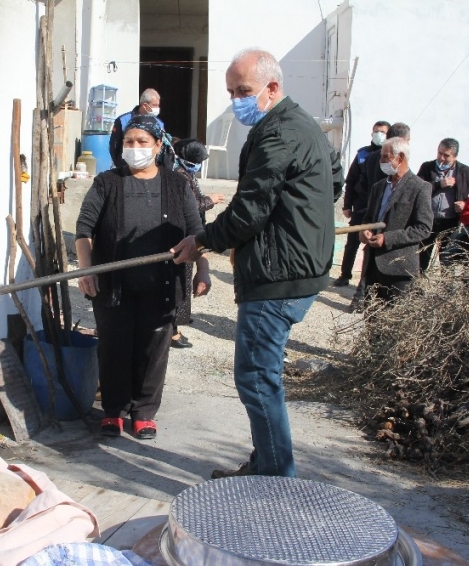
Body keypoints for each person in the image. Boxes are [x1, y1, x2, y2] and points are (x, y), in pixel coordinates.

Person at [171, 48, 343, 478]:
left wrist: (204, 240)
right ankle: (267, 464)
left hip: (278, 276)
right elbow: (333, 181)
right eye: (231, 92)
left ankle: (273, 480)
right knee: (261, 377)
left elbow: (250, 209)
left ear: (272, 87)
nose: (236, 100)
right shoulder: (303, 125)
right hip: (296, 267)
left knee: (256, 378)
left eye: (243, 90)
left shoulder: (279, 133)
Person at [76, 115, 211, 440]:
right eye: (129, 143)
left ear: (158, 145)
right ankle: (113, 411)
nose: (135, 148)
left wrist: (203, 267)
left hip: (161, 286)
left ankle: (144, 412)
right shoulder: (107, 183)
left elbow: (197, 232)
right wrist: (86, 268)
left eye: (142, 142)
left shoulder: (177, 185)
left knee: (152, 349)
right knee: (113, 346)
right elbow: (84, 228)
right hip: (114, 286)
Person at [358, 137, 433, 302]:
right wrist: (364, 232)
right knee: (372, 319)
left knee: (394, 322)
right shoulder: (379, 187)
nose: (381, 161)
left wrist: (387, 239)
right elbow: (369, 218)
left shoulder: (419, 187)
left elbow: (423, 228)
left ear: (400, 158)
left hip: (399, 269)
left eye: (386, 157)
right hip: (372, 266)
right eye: (381, 157)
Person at [170, 138, 226, 349]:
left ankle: (178, 321)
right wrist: (210, 200)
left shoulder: (187, 174)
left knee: (184, 279)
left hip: (190, 233)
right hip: (182, 235)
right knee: (179, 281)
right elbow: (190, 206)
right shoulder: (179, 177)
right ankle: (173, 329)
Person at [350, 122, 411, 308]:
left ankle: (362, 296)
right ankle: (361, 296)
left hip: (393, 241)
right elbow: (359, 182)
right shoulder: (374, 162)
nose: (383, 160)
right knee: (368, 260)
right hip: (373, 215)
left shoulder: (417, 185)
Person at [334, 120, 391, 287]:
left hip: (378, 208)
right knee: (352, 242)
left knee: (372, 245)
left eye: (382, 132)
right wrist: (347, 205)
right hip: (361, 205)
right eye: (376, 131)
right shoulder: (362, 154)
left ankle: (366, 281)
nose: (378, 135)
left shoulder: (388, 157)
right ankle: (345, 275)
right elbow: (351, 180)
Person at [416, 138, 469, 271]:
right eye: (439, 153)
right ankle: (417, 289)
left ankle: (446, 290)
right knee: (421, 257)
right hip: (428, 220)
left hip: (451, 222)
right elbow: (417, 189)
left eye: (446, 155)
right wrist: (439, 184)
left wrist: (466, 205)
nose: (441, 158)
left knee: (447, 258)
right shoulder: (427, 167)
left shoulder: (465, 171)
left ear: (455, 156)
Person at [109, 89, 165, 169]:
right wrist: (121, 166)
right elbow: (114, 146)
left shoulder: (159, 124)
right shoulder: (123, 120)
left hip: (149, 169)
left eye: (158, 105)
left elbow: (161, 148)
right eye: (155, 105)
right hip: (125, 168)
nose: (158, 108)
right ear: (145, 106)